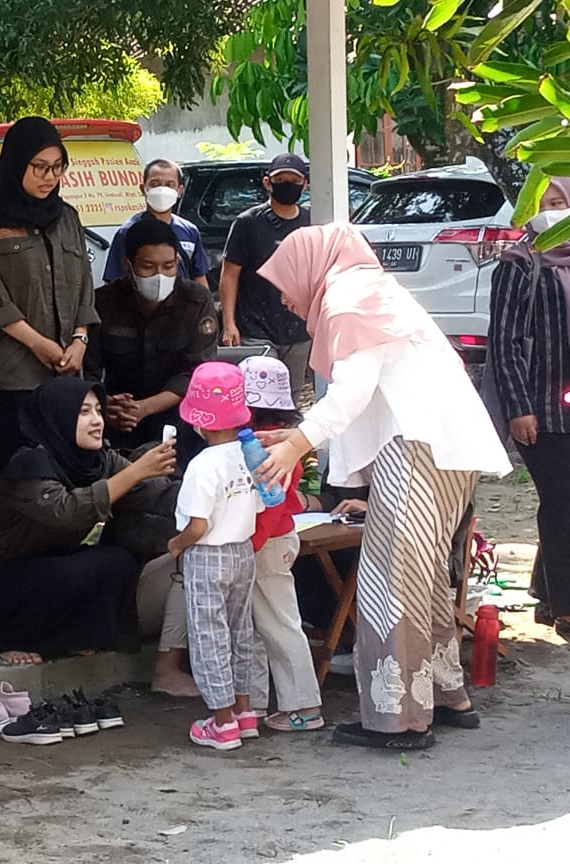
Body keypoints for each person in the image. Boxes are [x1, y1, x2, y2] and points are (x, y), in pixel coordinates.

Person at [254, 223, 511, 750]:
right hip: (442, 447)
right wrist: (300, 436)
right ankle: (445, 696)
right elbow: (378, 394)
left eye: (284, 280)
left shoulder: (348, 298)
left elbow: (352, 394)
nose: (283, 296)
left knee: (390, 582)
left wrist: (293, 446)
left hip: (416, 449)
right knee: (422, 577)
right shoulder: (373, 291)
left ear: (309, 267)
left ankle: (398, 719)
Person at [0, 377, 178, 664]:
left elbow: (150, 493)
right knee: (68, 574)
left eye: (99, 411)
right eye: (84, 412)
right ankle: (14, 640)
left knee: (119, 560)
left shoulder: (100, 461)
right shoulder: (29, 465)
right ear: (58, 416)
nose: (97, 421)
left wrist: (209, 495)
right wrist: (136, 471)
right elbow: (66, 512)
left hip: (49, 567)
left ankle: (75, 638)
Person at [0, 117, 98, 499]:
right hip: (12, 377)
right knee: (14, 476)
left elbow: (84, 285)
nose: (49, 177)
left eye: (57, 167)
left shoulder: (67, 217)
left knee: (64, 474)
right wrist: (40, 345)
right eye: (39, 167)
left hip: (65, 373)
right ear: (17, 164)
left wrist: (80, 339)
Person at [489, 176, 570, 638]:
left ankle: (546, 591)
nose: (553, 212)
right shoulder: (520, 265)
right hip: (540, 406)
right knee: (560, 501)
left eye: (560, 202)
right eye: (544, 204)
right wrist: (520, 408)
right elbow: (505, 342)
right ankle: (566, 607)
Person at [167, 362, 262, 751]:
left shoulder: (202, 465)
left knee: (210, 637)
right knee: (241, 633)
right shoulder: (250, 455)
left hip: (207, 555)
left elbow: (197, 526)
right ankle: (244, 712)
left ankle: (222, 724)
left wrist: (176, 546)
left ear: (198, 422)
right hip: (243, 551)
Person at [86, 218, 219, 468]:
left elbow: (196, 371)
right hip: (114, 418)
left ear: (177, 263)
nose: (160, 275)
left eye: (168, 266)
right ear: (128, 266)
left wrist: (145, 408)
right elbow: (88, 368)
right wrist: (104, 404)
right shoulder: (103, 302)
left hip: (177, 420)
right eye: (148, 267)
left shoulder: (196, 300)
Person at [239, 356, 323, 732]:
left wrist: (251, 544)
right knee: (258, 625)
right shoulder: (286, 442)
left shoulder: (269, 448)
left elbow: (272, 506)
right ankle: (254, 704)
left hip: (266, 543)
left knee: (278, 623)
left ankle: (304, 705)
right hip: (268, 541)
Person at [218, 153, 312, 403]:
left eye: (294, 180)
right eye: (281, 180)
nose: (288, 185)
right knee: (261, 396)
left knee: (291, 397)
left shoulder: (312, 222)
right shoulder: (247, 223)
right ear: (268, 183)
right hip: (255, 327)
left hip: (299, 329)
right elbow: (229, 274)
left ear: (305, 184)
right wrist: (229, 323)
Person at [102, 159, 209, 287]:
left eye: (169, 185)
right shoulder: (127, 232)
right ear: (143, 189)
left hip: (182, 300)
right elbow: (112, 282)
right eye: (155, 184)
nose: (162, 190)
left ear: (179, 190)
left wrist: (204, 299)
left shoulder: (190, 231)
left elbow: (199, 278)